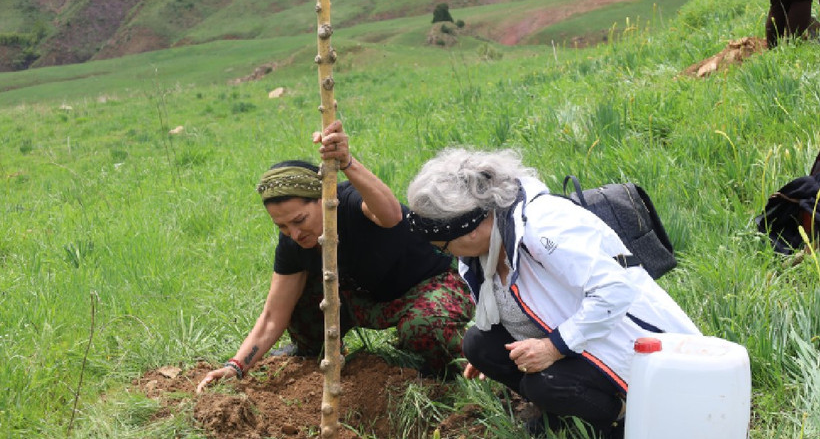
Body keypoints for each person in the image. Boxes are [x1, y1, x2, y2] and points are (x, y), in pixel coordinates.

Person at [405, 148, 700, 439]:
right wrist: (493, 356)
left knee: (545, 385)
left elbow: (614, 290)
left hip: (627, 342)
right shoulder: (485, 246)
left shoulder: (545, 226)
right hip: (579, 338)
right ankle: (573, 412)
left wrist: (553, 347)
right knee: (479, 344)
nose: (442, 252)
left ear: (467, 230)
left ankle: (622, 416)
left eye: (441, 245)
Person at [196, 121, 474, 393]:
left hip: (427, 285)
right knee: (298, 296)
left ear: (321, 198)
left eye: (299, 220)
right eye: (281, 226)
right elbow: (273, 316)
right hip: (363, 298)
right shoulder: (294, 243)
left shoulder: (351, 203)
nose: (293, 233)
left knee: (424, 326)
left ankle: (445, 369)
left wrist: (348, 163)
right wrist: (236, 366)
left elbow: (391, 216)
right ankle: (311, 351)